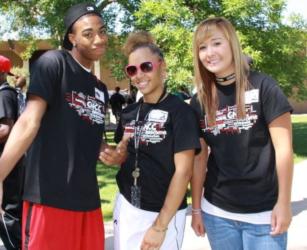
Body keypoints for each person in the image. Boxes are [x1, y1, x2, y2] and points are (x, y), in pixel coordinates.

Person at [0, 3, 113, 249]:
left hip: (89, 202)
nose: (98, 39)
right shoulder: (54, 62)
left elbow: (86, 135)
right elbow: (29, 120)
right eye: (88, 33)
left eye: (102, 31)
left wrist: (108, 151)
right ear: (71, 37)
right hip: (49, 198)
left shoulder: (100, 89)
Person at [190, 17, 293, 250]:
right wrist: (196, 208)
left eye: (216, 43)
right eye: (202, 47)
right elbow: (199, 158)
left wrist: (284, 203)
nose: (209, 53)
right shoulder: (199, 101)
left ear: (232, 44)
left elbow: (284, 149)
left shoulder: (264, 86)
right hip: (217, 214)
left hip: (265, 217)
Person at [100, 31, 200, 250]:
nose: (139, 75)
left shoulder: (181, 112)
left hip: (164, 212)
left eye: (146, 67)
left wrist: (160, 226)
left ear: (162, 67)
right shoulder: (129, 112)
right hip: (127, 205)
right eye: (132, 70)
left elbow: (184, 172)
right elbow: (124, 152)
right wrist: (118, 155)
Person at [0, 55, 24, 250]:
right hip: (11, 161)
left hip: (9, 162)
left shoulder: (4, 94)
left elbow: (5, 129)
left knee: (9, 212)